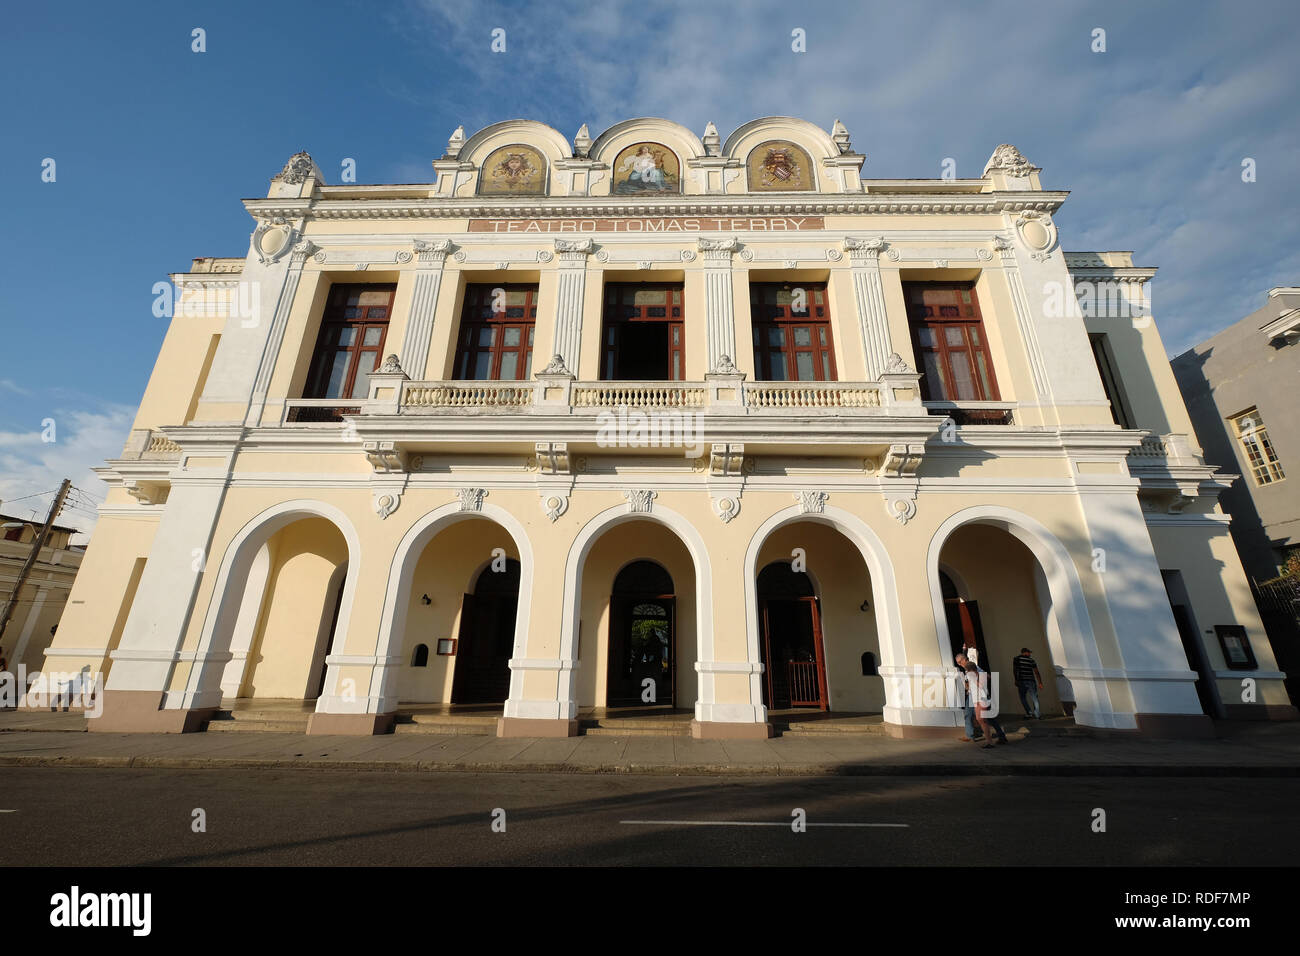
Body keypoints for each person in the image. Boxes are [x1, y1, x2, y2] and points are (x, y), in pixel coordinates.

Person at [965, 660, 1008, 747]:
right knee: (982, 720)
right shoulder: (970, 676)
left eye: (968, 671)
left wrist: (973, 679)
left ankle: (990, 742)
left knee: (983, 720)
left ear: (971, 670)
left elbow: (981, 685)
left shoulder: (981, 675)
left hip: (983, 699)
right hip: (976, 700)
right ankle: (997, 738)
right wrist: (966, 685)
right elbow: (969, 687)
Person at [954, 653, 982, 742]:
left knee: (983, 717)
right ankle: (970, 735)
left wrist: (978, 684)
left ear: (964, 660)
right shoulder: (966, 669)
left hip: (977, 695)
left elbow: (985, 676)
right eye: (957, 663)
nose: (958, 664)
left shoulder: (973, 667)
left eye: (959, 662)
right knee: (968, 715)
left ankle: (1001, 735)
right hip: (970, 695)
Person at [1012, 647, 1044, 719]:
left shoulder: (1016, 659)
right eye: (1029, 652)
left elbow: (1015, 670)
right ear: (1024, 652)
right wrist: (1040, 682)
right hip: (1031, 681)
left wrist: (1016, 680)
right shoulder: (1031, 660)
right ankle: (1037, 714)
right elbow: (1036, 672)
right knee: (1034, 698)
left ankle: (1029, 713)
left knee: (1023, 697)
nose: (1030, 654)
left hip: (1022, 681)